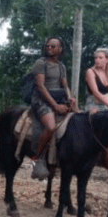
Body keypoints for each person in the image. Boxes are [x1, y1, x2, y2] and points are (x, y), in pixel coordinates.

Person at [30, 37, 78, 180]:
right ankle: (37, 158)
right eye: (48, 46)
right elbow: (40, 86)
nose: (49, 48)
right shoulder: (40, 63)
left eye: (53, 46)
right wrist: (55, 106)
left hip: (59, 97)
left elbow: (65, 85)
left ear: (60, 49)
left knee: (79, 120)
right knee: (51, 127)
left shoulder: (61, 66)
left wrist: (70, 98)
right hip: (42, 100)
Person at [85, 47, 108, 113]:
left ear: (107, 60)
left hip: (107, 103)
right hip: (94, 104)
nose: (97, 60)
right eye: (96, 58)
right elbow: (96, 93)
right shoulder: (90, 72)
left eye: (100, 58)